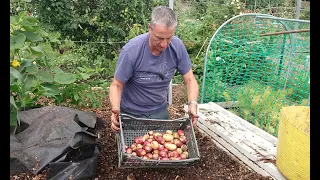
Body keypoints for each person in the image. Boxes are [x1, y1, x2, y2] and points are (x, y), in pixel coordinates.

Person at [109, 6, 199, 132]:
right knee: (135, 150)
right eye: (159, 38)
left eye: (169, 38)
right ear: (149, 28)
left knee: (163, 148)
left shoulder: (177, 46)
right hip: (132, 114)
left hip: (159, 112)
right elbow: (116, 85)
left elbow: (190, 79)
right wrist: (115, 109)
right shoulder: (131, 51)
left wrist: (192, 104)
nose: (164, 44)